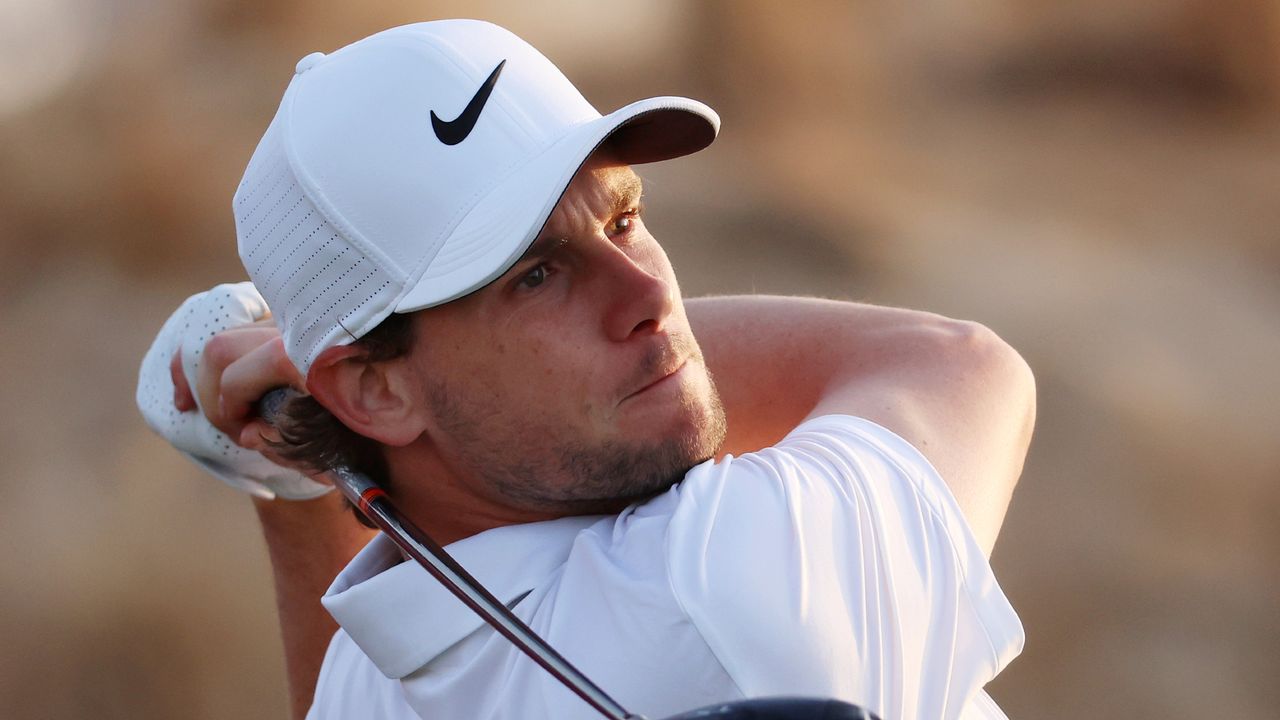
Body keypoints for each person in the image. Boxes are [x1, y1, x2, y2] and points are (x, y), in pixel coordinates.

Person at [137, 19, 1034, 720]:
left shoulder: (385, 675)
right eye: (535, 275)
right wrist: (312, 378)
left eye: (623, 220)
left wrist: (307, 454)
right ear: (376, 389)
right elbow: (953, 362)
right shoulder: (723, 577)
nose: (651, 294)